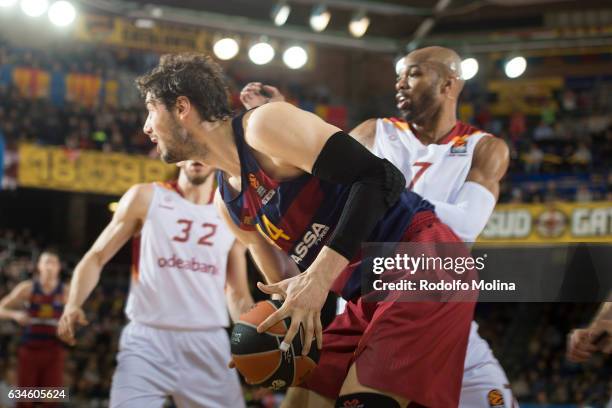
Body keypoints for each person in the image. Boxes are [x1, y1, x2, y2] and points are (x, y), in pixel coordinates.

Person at [135, 52, 476, 408]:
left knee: (361, 402)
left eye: (150, 109)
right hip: (367, 296)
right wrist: (259, 338)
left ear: (182, 107)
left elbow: (381, 177)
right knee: (299, 402)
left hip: (422, 259)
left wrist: (318, 277)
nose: (146, 127)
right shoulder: (229, 204)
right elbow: (287, 284)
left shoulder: (262, 126)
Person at [240, 46, 514, 408]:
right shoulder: (373, 131)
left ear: (449, 84)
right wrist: (283, 119)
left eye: (414, 74)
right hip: (361, 309)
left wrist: (380, 196)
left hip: (432, 307)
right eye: (399, 74)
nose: (400, 82)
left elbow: (462, 231)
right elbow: (326, 191)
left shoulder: (484, 148)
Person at [57, 161, 252, 408]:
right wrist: (74, 303)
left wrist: (254, 337)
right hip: (147, 339)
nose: (196, 157)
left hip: (208, 339)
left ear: (214, 155)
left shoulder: (233, 211)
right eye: (190, 148)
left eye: (203, 150)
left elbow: (237, 291)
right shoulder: (146, 197)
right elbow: (96, 256)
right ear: (179, 155)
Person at [0, 250, 67, 408]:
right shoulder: (27, 288)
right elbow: (1, 309)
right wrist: (16, 315)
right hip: (29, 350)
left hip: (54, 351)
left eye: (53, 262)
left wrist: (68, 321)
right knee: (24, 399)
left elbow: (79, 315)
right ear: (39, 266)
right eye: (46, 262)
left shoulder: (66, 292)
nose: (50, 266)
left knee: (52, 399)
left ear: (59, 267)